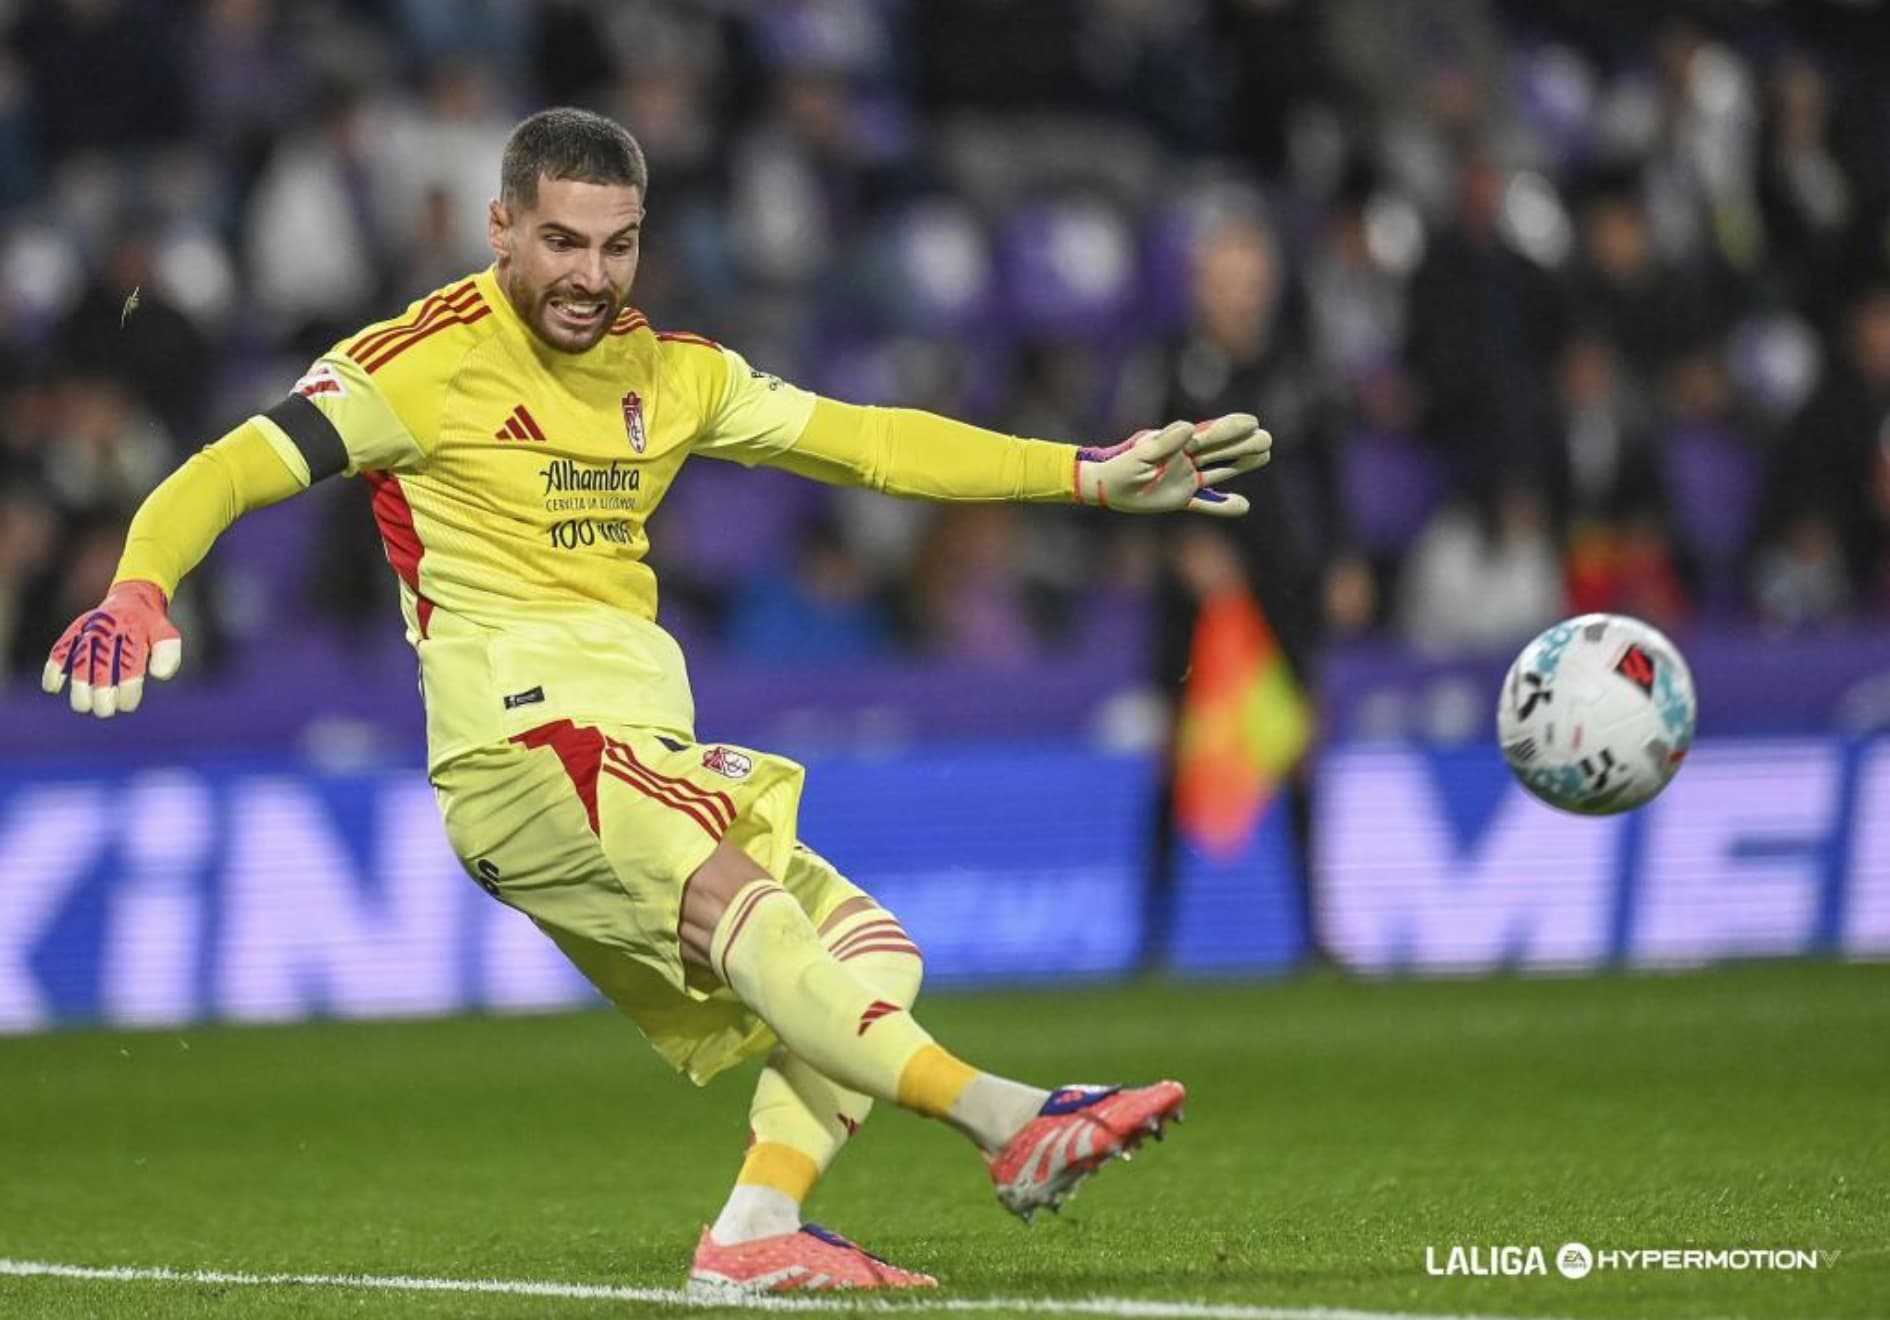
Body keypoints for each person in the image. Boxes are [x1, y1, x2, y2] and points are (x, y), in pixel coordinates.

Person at [40, 108, 1270, 1296]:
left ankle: (757, 1227)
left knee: (872, 951)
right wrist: (143, 590)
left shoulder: (672, 373)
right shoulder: (413, 364)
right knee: (749, 910)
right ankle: (1009, 1119)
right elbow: (226, 469)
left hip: (636, 744)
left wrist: (1088, 476)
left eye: (616, 244)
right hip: (522, 744)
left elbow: (874, 443)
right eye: (561, 242)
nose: (590, 274)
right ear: (501, 229)